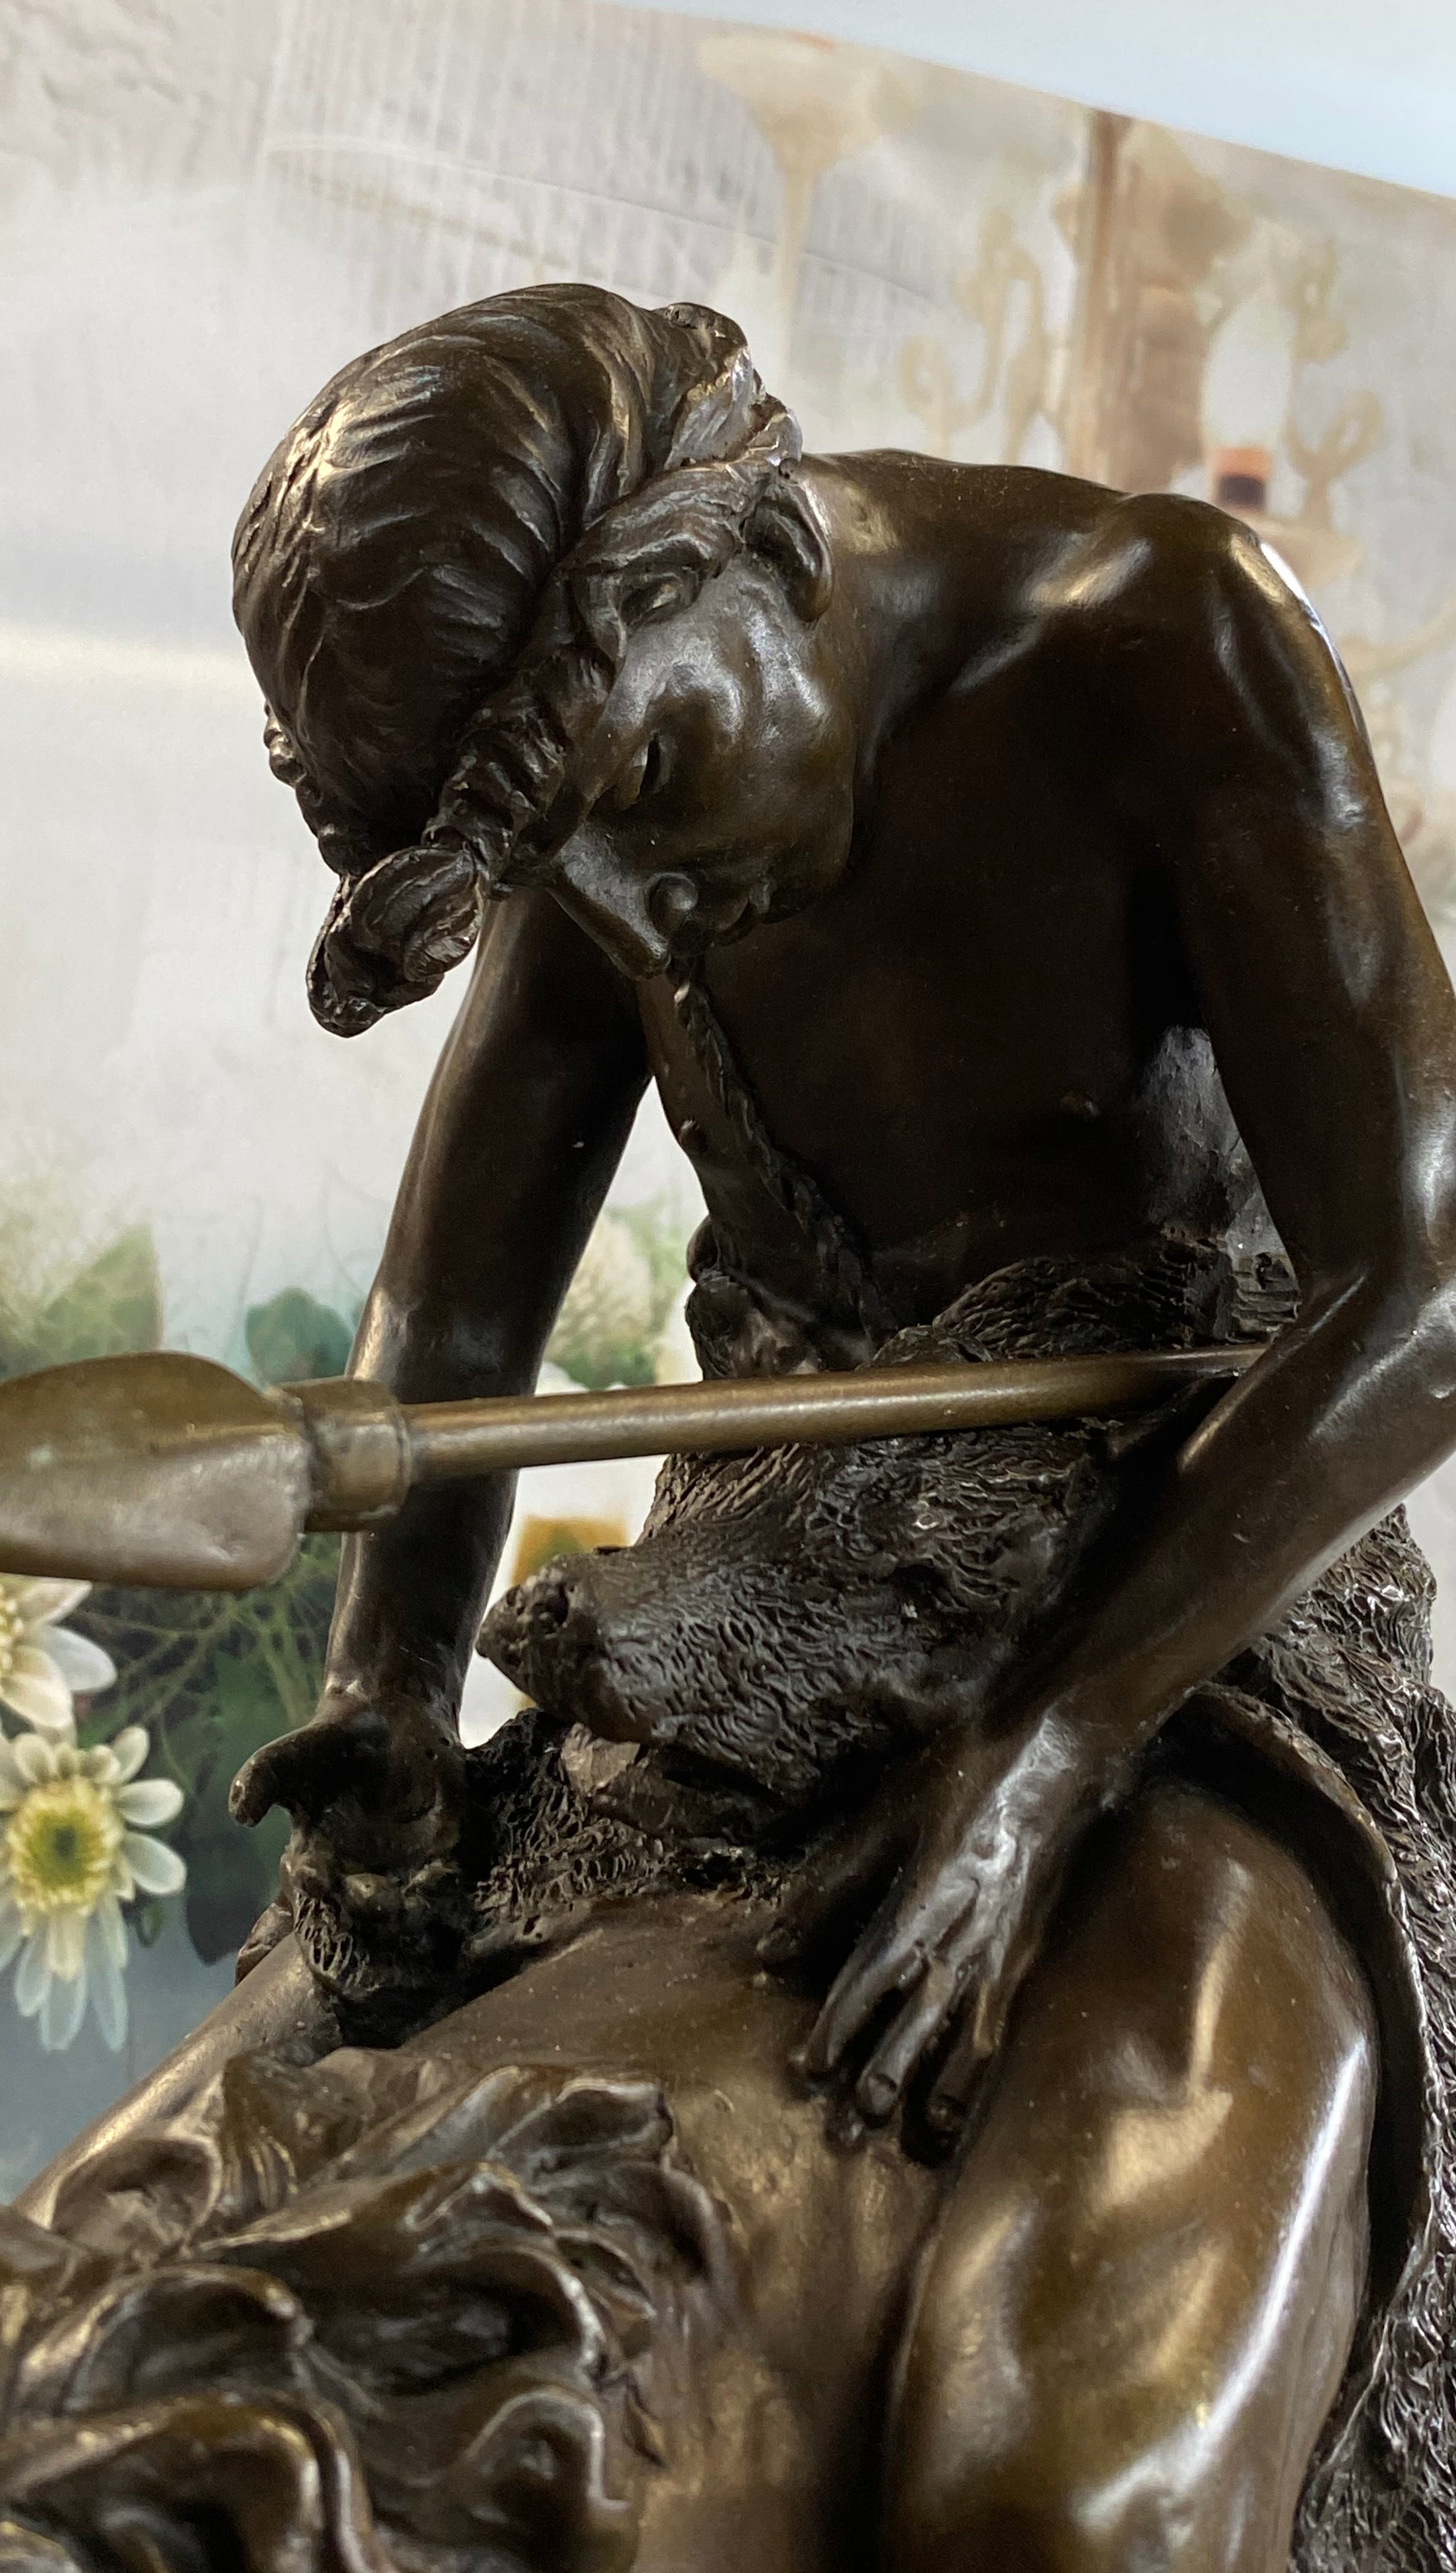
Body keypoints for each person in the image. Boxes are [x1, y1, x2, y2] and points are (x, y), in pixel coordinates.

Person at [220, 283, 1456, 2569]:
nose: (642, 906)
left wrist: (1048, 1756)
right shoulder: (590, 787)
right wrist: (387, 1682)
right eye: (575, 870)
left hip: (1187, 1589)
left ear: (768, 552)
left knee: (1074, 2489)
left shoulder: (1157, 645)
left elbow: (1430, 1294)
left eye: (652, 796)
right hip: (760, 1589)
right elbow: (461, 1306)